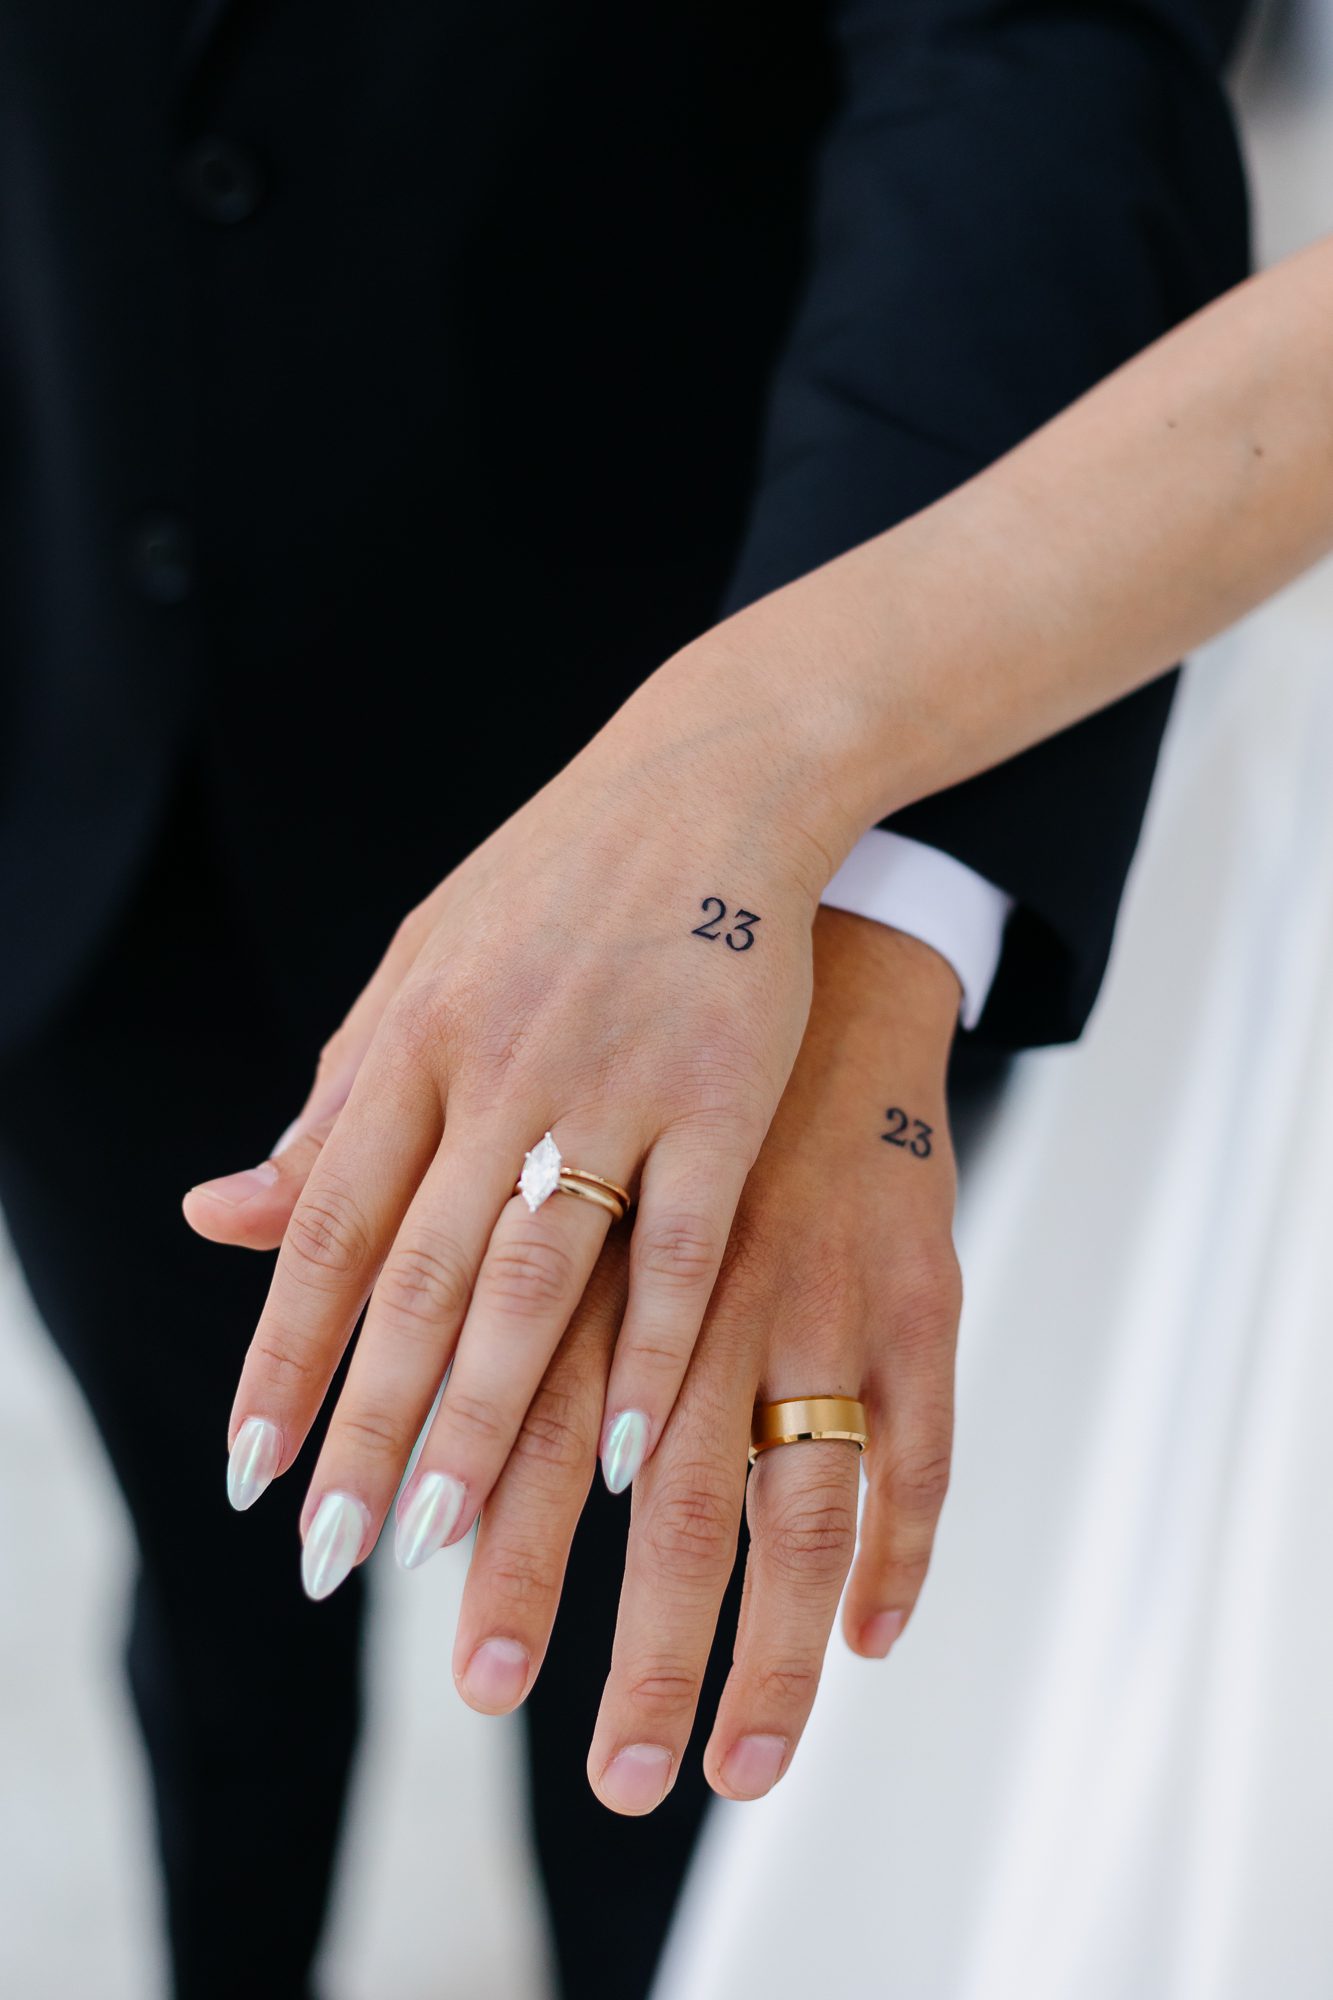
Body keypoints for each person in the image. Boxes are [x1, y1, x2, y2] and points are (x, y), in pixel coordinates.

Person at [0, 2, 1250, 1996]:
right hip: (89, 803)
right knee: (213, 1592)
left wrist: (847, 870)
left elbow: (1026, 52)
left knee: (645, 1694)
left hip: (669, 805)